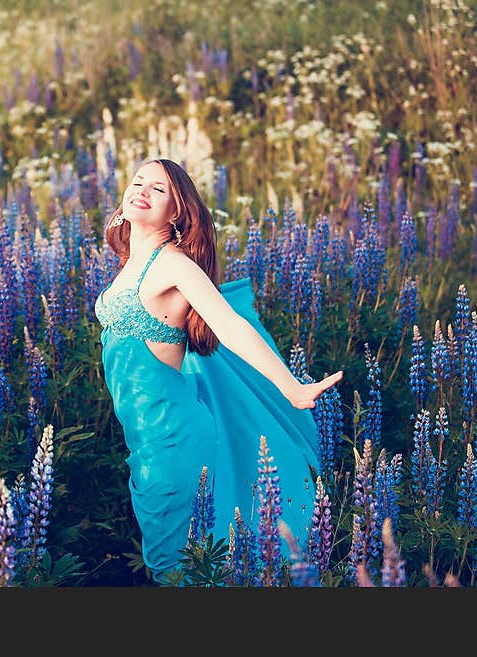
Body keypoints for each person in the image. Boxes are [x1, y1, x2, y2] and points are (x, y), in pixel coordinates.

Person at [94, 158, 343, 583]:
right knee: (171, 559)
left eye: (158, 189)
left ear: (177, 211)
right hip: (145, 438)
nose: (141, 190)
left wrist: (291, 388)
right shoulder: (129, 263)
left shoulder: (172, 264)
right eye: (138, 182)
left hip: (171, 436)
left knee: (171, 566)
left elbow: (228, 324)